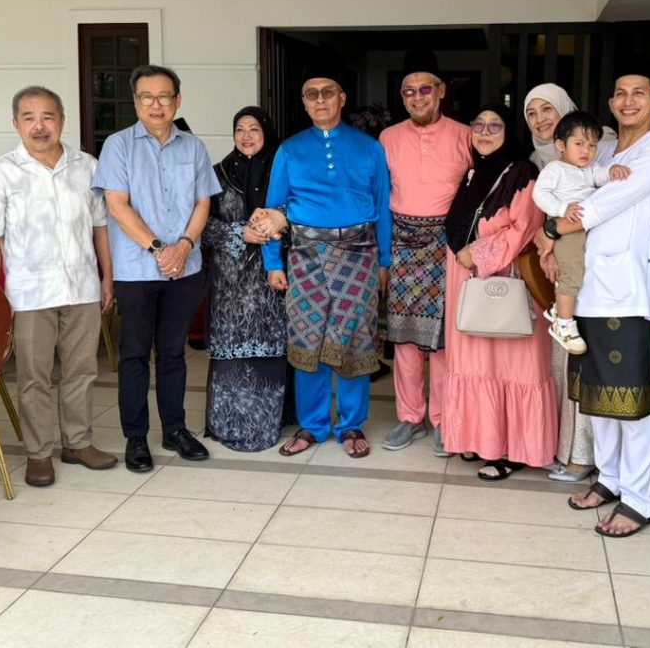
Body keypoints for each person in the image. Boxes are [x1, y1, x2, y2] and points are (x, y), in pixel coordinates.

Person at [522, 83, 650, 483]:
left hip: (628, 292)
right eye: (620, 94)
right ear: (610, 103)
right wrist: (551, 232)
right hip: (589, 291)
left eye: (639, 93)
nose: (628, 101)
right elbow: (570, 174)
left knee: (631, 402)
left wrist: (552, 228)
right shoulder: (601, 149)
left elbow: (602, 203)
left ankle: (639, 498)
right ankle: (609, 481)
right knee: (596, 397)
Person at [0, 86, 118, 486]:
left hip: (82, 288)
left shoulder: (87, 166)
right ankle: (38, 453)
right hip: (29, 294)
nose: (39, 126)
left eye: (48, 117)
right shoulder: (0, 173)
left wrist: (107, 277)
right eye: (29, 117)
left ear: (62, 121)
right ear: (16, 123)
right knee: (35, 377)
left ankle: (78, 443)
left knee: (81, 371)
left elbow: (101, 228)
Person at [254, 55, 391, 459]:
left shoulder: (369, 148)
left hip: (359, 255)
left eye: (327, 92)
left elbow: (383, 207)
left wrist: (384, 261)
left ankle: (350, 425)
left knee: (355, 338)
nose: (319, 100)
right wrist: (272, 263)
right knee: (307, 337)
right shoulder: (290, 150)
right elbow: (271, 211)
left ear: (342, 97)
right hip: (305, 256)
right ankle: (313, 425)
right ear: (303, 102)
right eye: (311, 94)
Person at [92, 64, 221, 472]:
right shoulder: (117, 146)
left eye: (164, 96)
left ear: (177, 101)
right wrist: (159, 249)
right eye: (146, 97)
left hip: (185, 267)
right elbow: (117, 205)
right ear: (136, 102)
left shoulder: (194, 147)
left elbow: (203, 202)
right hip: (136, 270)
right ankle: (136, 437)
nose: (156, 104)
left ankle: (175, 429)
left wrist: (184, 246)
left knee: (172, 353)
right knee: (133, 354)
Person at [442, 104, 557, 480]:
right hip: (466, 279)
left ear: (509, 133)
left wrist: (477, 254)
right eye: (478, 124)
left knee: (510, 366)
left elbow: (525, 227)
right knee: (474, 364)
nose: (485, 132)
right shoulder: (473, 172)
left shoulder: (523, 173)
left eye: (495, 126)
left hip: (503, 280)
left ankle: (514, 449)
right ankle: (480, 439)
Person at [380, 50, 472, 456]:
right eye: (408, 91)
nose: (417, 97)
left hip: (447, 247)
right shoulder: (388, 137)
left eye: (424, 89)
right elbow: (379, 196)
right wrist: (383, 257)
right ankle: (409, 416)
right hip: (402, 244)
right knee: (404, 340)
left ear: (441, 91)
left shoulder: (465, 135)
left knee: (444, 341)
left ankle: (444, 418)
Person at [202, 107, 288, 452]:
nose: (247, 136)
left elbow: (302, 212)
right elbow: (201, 225)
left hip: (272, 279)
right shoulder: (216, 174)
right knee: (232, 355)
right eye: (240, 129)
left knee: (271, 353)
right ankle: (228, 423)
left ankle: (270, 422)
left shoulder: (282, 172)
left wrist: (279, 223)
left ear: (267, 132)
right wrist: (240, 233)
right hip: (231, 284)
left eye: (254, 129)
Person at [532, 110, 631, 354]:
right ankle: (564, 325)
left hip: (582, 226)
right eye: (579, 144)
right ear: (560, 145)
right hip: (565, 225)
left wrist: (613, 171)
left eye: (592, 145)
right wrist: (562, 209)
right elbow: (539, 194)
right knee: (572, 272)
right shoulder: (555, 169)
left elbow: (602, 176)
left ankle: (558, 309)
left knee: (584, 268)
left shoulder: (590, 168)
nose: (586, 150)